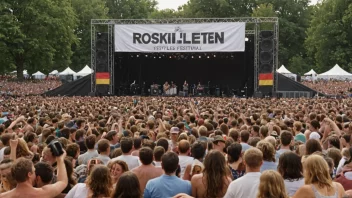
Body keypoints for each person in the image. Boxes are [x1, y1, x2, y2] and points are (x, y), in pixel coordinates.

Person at [0, 151, 67, 198]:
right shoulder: (42, 193)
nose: (35, 173)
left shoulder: (3, 196)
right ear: (29, 174)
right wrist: (60, 160)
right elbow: (63, 181)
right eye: (34, 171)